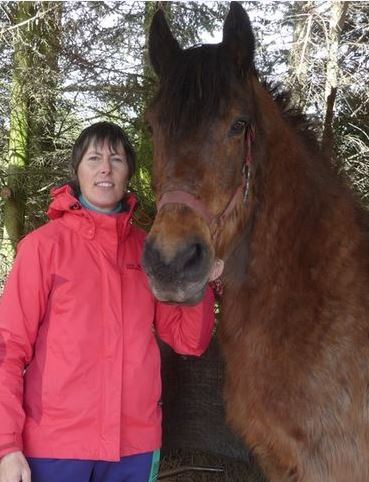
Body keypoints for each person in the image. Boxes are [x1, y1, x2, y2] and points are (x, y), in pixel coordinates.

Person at [0, 122, 217, 482]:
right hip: (56, 447)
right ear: (77, 171)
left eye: (116, 159)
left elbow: (187, 340)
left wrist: (200, 279)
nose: (105, 168)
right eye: (94, 159)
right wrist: (7, 445)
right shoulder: (43, 248)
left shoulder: (148, 250)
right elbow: (8, 349)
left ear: (128, 172)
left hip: (134, 448)